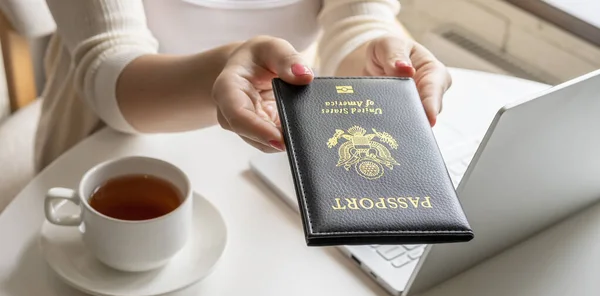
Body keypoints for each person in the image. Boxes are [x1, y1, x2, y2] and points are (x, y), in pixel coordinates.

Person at [35, 0, 452, 171]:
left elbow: (354, 17)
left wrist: (377, 59)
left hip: (282, 132)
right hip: (117, 136)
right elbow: (109, 71)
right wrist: (222, 70)